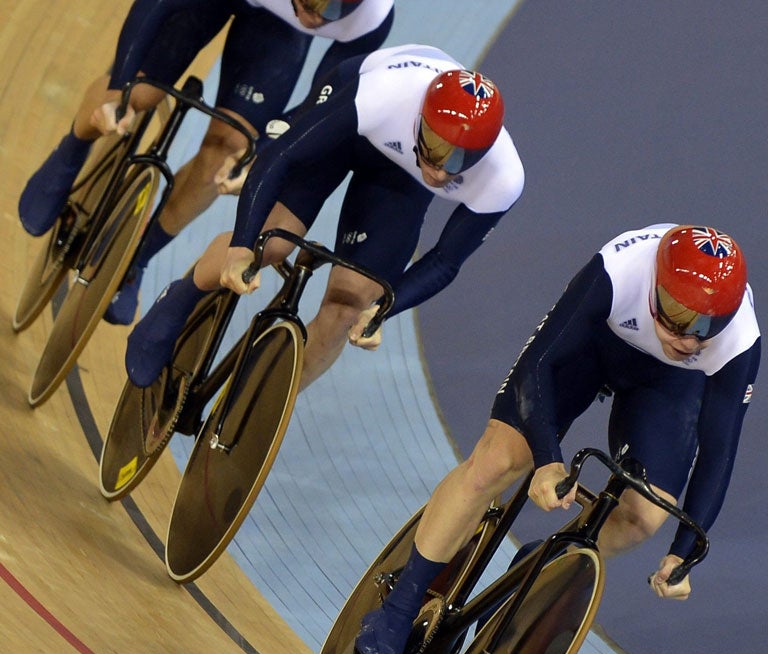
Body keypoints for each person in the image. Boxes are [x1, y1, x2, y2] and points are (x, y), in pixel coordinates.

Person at [354, 223, 761, 654]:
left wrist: (684, 554)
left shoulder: (739, 340)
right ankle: (398, 608)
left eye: (705, 327)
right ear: (655, 285)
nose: (686, 338)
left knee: (644, 517)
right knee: (497, 462)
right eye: (674, 314)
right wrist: (548, 460)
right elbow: (540, 365)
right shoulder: (620, 269)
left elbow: (720, 449)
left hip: (665, 386)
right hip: (592, 347)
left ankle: (541, 561)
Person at [18, 0, 394, 325]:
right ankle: (71, 150)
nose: (314, 15)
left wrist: (266, 147)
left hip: (273, 27)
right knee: (139, 93)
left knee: (229, 149)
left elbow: (322, 101)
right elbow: (159, 0)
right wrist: (121, 81)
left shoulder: (372, 15)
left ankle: (131, 262)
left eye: (332, 9)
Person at [124, 43, 525, 395]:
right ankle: (178, 301)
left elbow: (445, 260)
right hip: (350, 122)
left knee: (352, 305)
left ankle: (255, 411)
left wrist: (387, 308)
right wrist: (244, 244)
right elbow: (284, 156)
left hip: (399, 180)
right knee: (272, 242)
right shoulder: (385, 96)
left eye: (457, 161)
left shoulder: (502, 177)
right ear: (420, 116)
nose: (439, 171)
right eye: (436, 148)